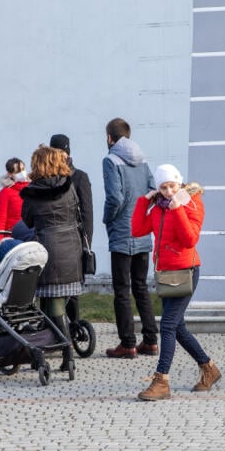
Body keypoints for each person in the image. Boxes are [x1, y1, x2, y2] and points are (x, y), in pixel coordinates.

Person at [132, 164, 221, 401]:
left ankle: (161, 381)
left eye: (172, 186)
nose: (168, 192)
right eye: (163, 188)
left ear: (179, 183)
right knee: (178, 327)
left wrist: (178, 209)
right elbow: (137, 229)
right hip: (166, 273)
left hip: (186, 271)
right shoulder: (158, 208)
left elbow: (190, 239)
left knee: (168, 325)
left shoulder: (191, 202)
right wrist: (145, 201)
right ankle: (209, 368)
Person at [101, 118, 158, 358]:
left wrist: (108, 219)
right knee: (141, 287)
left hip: (122, 233)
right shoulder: (143, 161)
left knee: (122, 290)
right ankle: (151, 340)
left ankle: (127, 343)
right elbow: (153, 190)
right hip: (141, 232)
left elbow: (114, 197)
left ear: (109, 138)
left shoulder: (110, 160)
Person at [20, 145, 81, 369]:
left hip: (48, 250)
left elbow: (27, 220)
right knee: (51, 303)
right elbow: (77, 212)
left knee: (54, 306)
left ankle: (68, 355)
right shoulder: (69, 187)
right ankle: (46, 353)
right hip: (71, 248)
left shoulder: (32, 192)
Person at [49, 133, 93, 329]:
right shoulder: (46, 178)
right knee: (50, 290)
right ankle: (53, 329)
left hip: (74, 240)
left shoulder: (79, 177)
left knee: (72, 290)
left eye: (61, 152)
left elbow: (87, 213)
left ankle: (73, 327)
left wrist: (86, 244)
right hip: (51, 240)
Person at [0, 157, 29, 247]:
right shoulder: (6, 193)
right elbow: (0, 220)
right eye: (17, 171)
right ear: (10, 174)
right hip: (13, 240)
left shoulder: (33, 189)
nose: (22, 173)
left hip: (30, 238)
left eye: (23, 169)